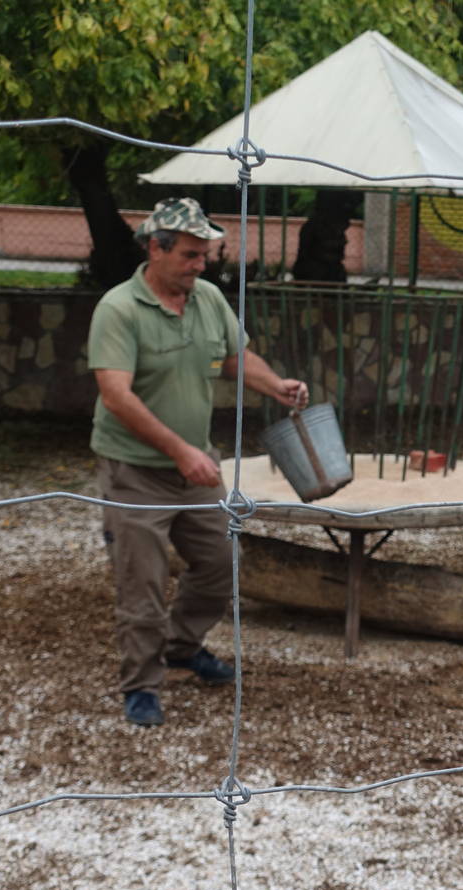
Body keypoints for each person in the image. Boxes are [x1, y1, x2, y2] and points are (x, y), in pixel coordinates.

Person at [89, 197, 308, 727]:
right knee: (142, 584)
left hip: (195, 469)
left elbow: (233, 357)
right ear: (156, 248)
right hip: (135, 472)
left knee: (220, 566)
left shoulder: (207, 298)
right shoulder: (118, 310)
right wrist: (181, 451)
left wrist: (274, 384)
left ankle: (182, 647)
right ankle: (141, 685)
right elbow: (116, 396)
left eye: (205, 255)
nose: (200, 265)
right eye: (190, 255)